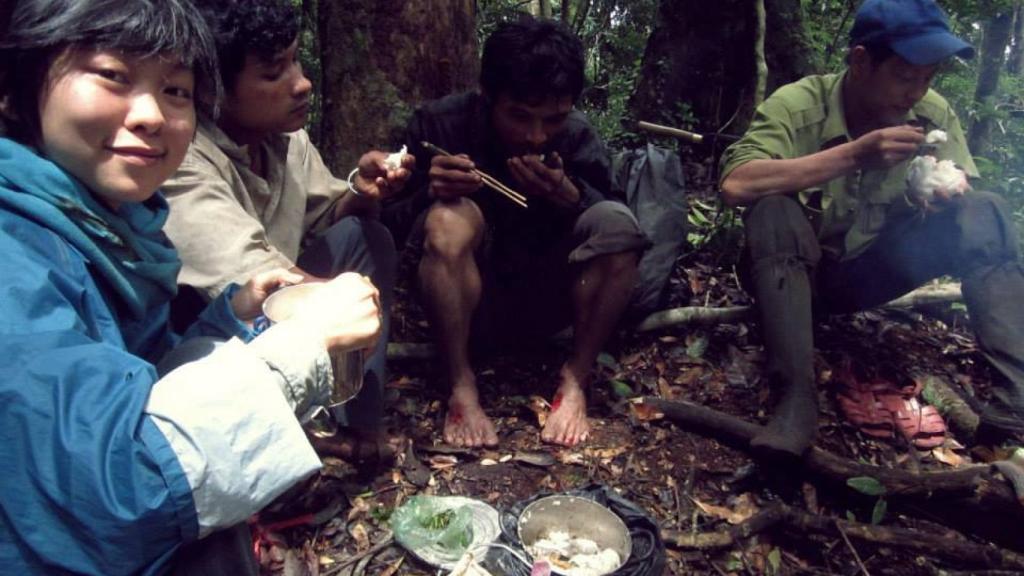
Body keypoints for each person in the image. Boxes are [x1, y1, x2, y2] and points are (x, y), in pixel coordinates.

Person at [0, 0, 383, 573]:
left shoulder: (117, 228)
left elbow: (132, 378)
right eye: (113, 76)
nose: (151, 115)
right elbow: (120, 490)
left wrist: (228, 319)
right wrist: (300, 345)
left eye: (176, 90)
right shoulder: (17, 259)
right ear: (17, 89)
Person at [719, 0, 1024, 460]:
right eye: (905, 76)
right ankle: (795, 402)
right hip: (792, 277)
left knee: (987, 210)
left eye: (928, 78)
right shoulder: (801, 103)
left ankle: (1015, 407)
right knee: (774, 210)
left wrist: (944, 191)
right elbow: (737, 183)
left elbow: (968, 203)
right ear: (861, 62)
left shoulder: (931, 113)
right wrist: (854, 154)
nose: (916, 93)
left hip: (868, 274)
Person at [162, 0, 413, 463]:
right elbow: (249, 283)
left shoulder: (285, 137)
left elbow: (330, 217)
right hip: (209, 333)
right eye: (273, 72)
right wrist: (344, 299)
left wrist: (362, 189)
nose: (301, 83)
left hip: (281, 307)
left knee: (365, 235)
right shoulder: (182, 159)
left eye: (296, 60)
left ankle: (361, 425)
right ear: (213, 90)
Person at [384, 16, 650, 448]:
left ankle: (575, 379)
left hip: (551, 299)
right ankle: (461, 385)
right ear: (488, 95)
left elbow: (621, 226)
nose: (535, 135)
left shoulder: (577, 137)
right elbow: (387, 228)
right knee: (448, 218)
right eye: (520, 116)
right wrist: (427, 194)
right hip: (465, 305)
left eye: (553, 119)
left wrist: (570, 195)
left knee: (616, 224)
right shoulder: (441, 126)